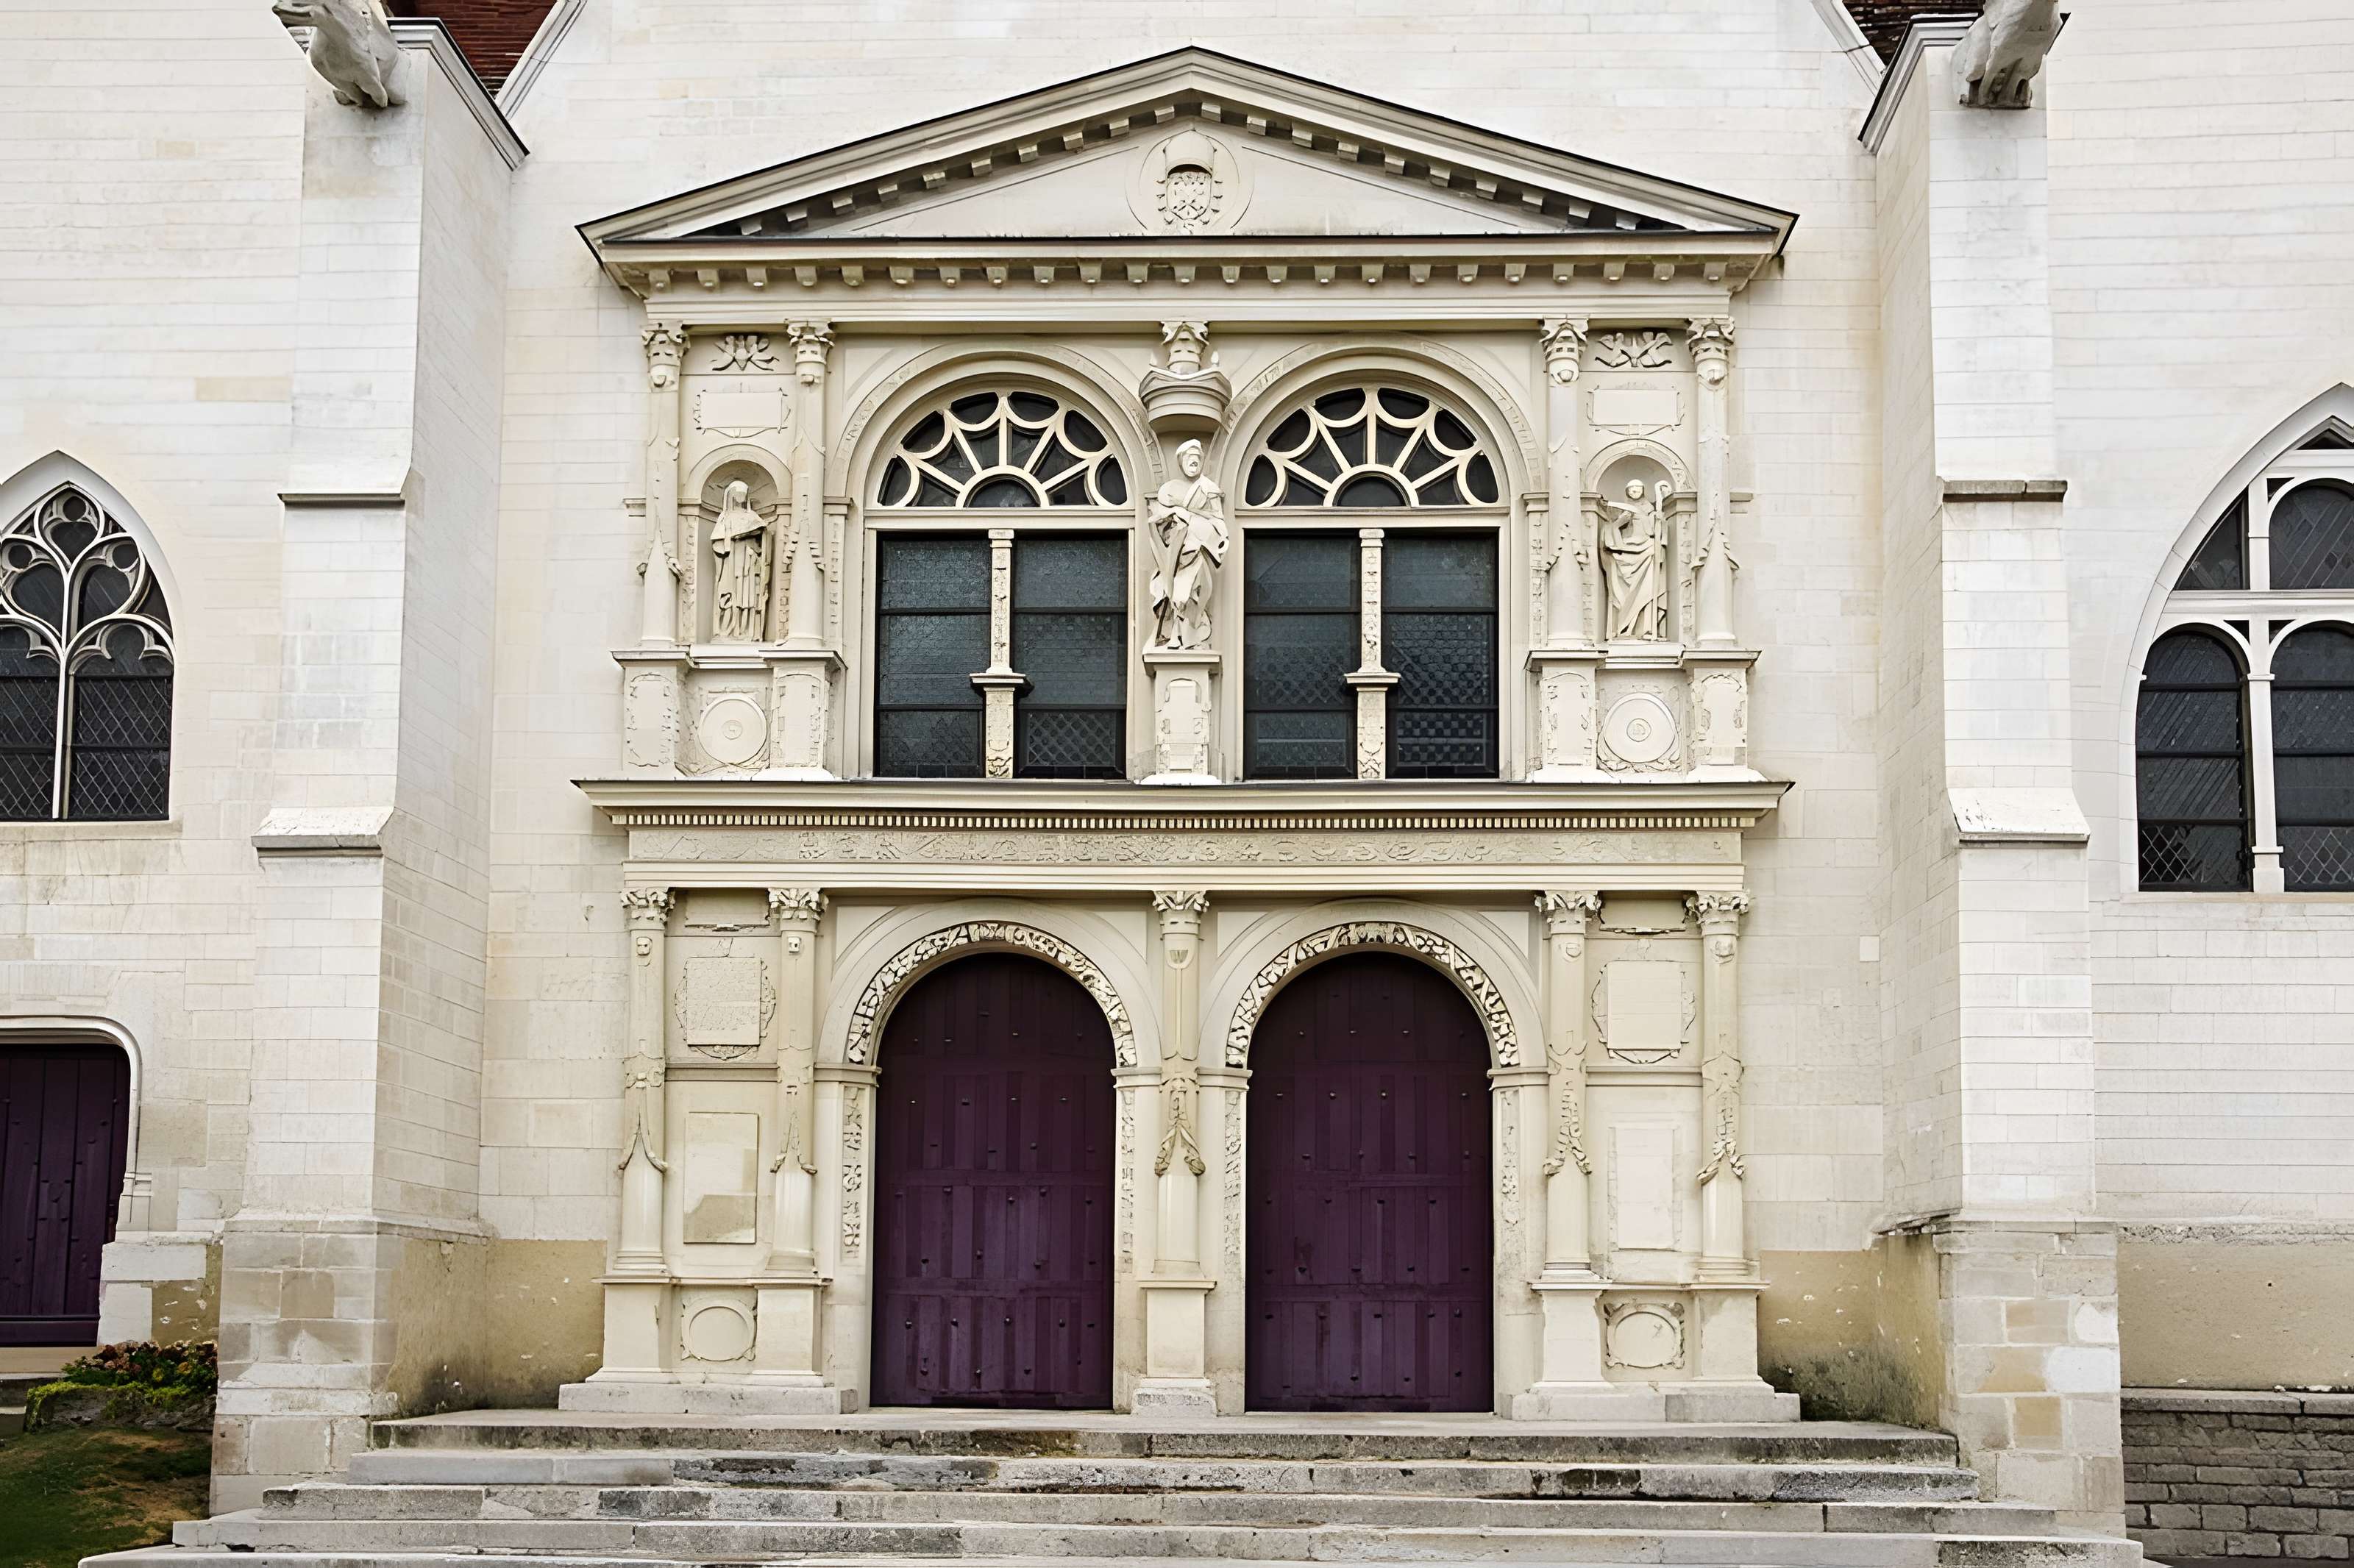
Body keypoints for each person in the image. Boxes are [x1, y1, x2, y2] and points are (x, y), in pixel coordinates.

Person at [1148, 439, 1229, 649]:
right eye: (1189, 459)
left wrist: (1222, 540)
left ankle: (1187, 638)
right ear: (1181, 461)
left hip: (1198, 548)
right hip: (1175, 552)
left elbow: (1218, 520)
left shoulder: (1208, 489)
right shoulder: (1169, 490)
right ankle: (1176, 636)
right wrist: (1177, 513)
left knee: (1188, 594)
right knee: (1170, 593)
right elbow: (1159, 518)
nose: (1193, 462)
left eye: (1197, 459)